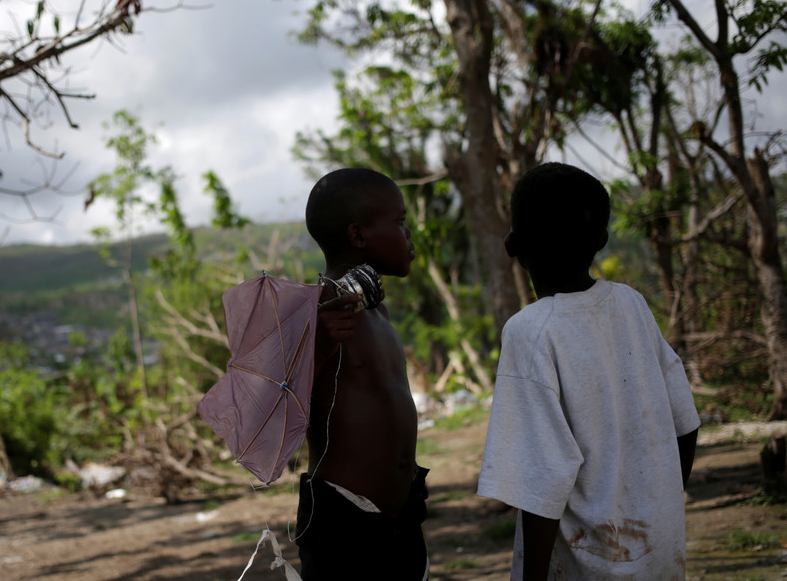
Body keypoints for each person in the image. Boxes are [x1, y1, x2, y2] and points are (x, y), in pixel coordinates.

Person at [476, 162, 701, 580]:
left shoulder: (530, 331)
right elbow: (684, 424)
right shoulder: (632, 305)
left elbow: (539, 479)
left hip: (584, 568)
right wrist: (663, 508)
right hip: (659, 556)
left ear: (514, 246)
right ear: (602, 239)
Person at [297, 167, 428, 580]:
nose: (408, 234)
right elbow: (283, 397)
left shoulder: (376, 312)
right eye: (401, 222)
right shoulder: (320, 310)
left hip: (399, 518)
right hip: (344, 525)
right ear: (358, 236)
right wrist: (317, 343)